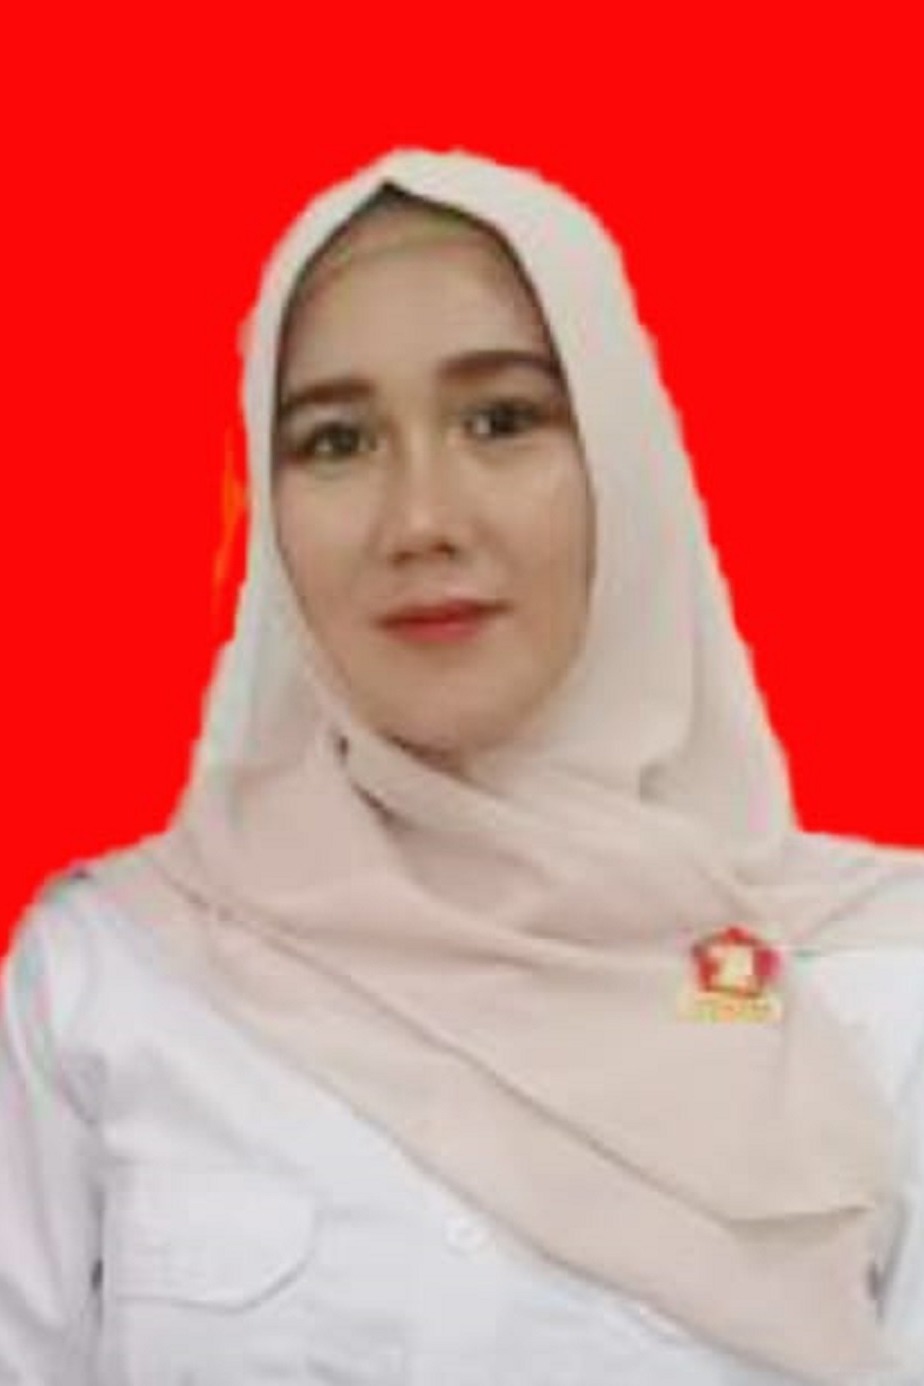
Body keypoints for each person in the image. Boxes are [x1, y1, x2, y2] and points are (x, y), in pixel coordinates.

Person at [3, 147, 924, 1386]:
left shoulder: (880, 985)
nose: (422, 519)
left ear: (624, 464)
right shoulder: (112, 977)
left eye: (503, 420)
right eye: (336, 440)